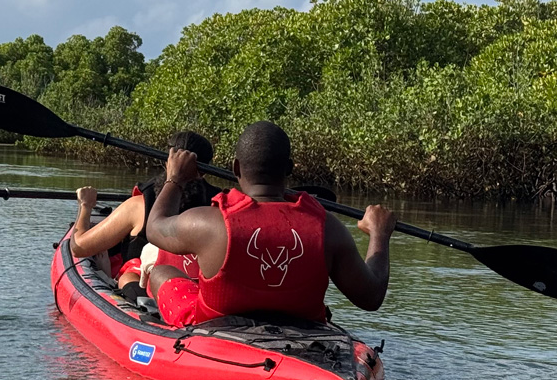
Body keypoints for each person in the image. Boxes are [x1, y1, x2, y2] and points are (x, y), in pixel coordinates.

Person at [144, 121, 396, 328]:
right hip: (303, 328)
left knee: (161, 272)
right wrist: (379, 234)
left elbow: (155, 227)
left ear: (235, 168)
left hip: (214, 325)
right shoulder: (328, 227)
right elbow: (371, 296)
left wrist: (175, 179)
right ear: (289, 168)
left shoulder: (208, 222)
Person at [70, 131, 220, 300]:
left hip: (143, 292)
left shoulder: (139, 206)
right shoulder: (220, 207)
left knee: (127, 276)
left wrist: (85, 206)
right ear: (206, 169)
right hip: (201, 292)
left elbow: (79, 247)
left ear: (168, 162)